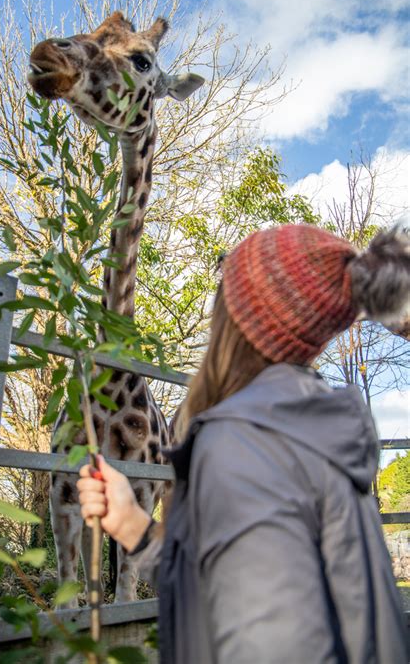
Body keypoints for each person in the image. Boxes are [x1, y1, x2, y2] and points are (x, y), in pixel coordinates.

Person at [77, 223, 409, 664]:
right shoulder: (309, 431)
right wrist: (135, 529)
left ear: (239, 314)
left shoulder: (246, 443)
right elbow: (226, 590)